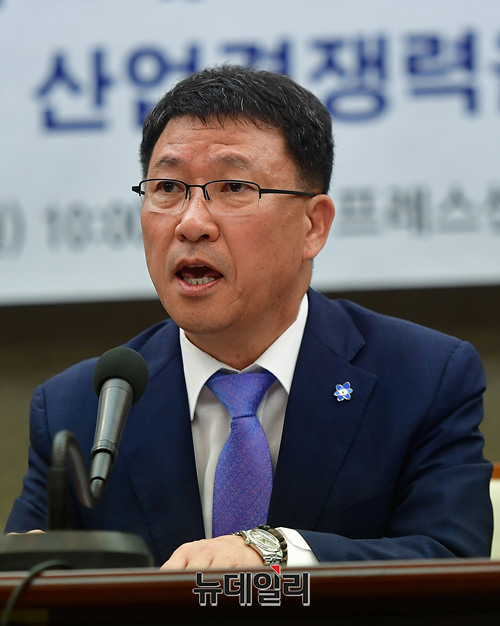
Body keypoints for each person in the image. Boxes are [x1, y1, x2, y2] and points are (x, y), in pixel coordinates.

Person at [5, 65, 493, 570]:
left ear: (313, 225)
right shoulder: (81, 406)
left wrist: (277, 551)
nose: (191, 223)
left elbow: (452, 557)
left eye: (234, 187)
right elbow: (24, 576)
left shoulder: (422, 378)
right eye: (168, 186)